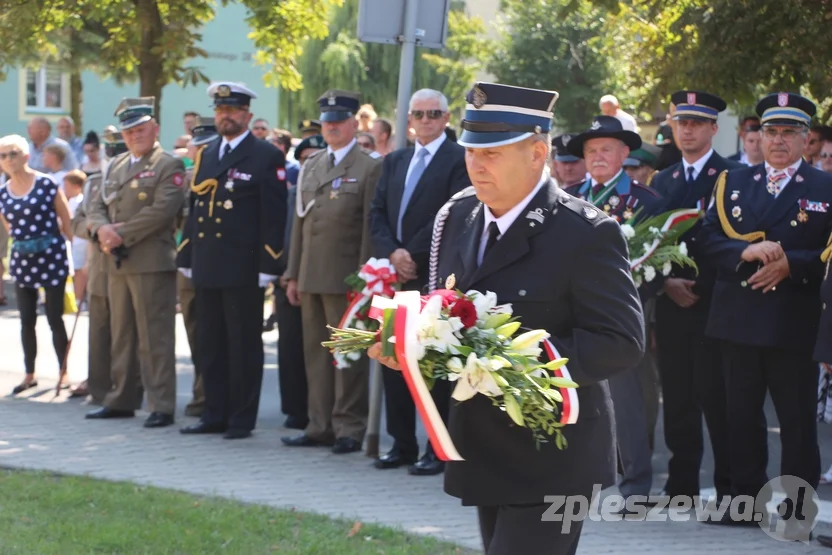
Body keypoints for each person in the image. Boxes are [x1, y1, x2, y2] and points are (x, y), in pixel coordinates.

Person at [372, 82, 644, 554]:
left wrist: (516, 363)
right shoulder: (457, 216)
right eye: (471, 151)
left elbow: (621, 339)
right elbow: (446, 311)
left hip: (555, 451)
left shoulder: (584, 231)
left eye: (493, 153)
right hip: (482, 445)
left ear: (538, 153)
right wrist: (411, 345)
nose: (476, 164)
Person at [699, 93, 832, 535]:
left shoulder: (824, 187)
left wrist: (792, 263)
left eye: (789, 133)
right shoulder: (732, 182)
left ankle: (796, 514)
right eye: (770, 132)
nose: (777, 140)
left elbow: (828, 253)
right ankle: (744, 503)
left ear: (805, 139)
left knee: (795, 421)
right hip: (737, 318)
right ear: (759, 136)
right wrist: (746, 249)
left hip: (793, 319)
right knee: (740, 416)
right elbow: (706, 240)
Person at [368, 88, 471, 476]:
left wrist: (409, 253)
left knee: (432, 365)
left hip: (433, 275)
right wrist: (392, 252)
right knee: (394, 359)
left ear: (447, 118)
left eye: (434, 113)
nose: (426, 120)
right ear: (408, 119)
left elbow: (452, 213)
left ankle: (437, 447)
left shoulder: (459, 158)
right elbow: (376, 212)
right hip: (394, 276)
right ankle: (402, 443)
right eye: (419, 114)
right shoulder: (394, 161)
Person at [178, 82, 287, 440]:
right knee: (210, 343)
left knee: (242, 346)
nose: (225, 116)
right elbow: (196, 209)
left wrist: (269, 265)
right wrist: (188, 254)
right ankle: (214, 412)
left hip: (244, 266)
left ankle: (241, 418)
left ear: (247, 116)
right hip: (209, 263)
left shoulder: (264, 155)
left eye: (233, 111)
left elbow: (274, 215)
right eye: (221, 111)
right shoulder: (207, 154)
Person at [649, 91, 743, 503]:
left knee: (719, 400)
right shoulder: (662, 179)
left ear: (712, 129)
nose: (686, 130)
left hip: (715, 305)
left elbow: (730, 242)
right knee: (679, 399)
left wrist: (699, 287)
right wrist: (666, 284)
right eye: (680, 122)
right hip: (672, 305)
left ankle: (727, 487)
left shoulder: (732, 176)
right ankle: (681, 483)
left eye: (696, 123)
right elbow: (650, 242)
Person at [565, 113, 660, 510]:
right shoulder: (566, 196)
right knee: (574, 393)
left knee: (629, 400)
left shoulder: (645, 200)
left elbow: (660, 260)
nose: (598, 157)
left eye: (606, 149)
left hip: (623, 312)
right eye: (591, 151)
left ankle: (635, 484)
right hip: (571, 312)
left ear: (625, 153)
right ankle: (577, 477)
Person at [282, 89, 383, 453]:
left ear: (354, 123)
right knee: (315, 354)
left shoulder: (369, 167)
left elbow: (369, 229)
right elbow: (300, 224)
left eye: (339, 121)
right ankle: (319, 424)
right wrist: (293, 274)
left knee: (349, 356)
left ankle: (349, 428)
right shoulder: (311, 165)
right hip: (310, 276)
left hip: (347, 280)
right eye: (327, 122)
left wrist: (365, 282)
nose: (332, 127)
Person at [85, 96, 185, 428]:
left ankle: (161, 404)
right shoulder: (115, 165)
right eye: (129, 132)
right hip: (117, 262)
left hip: (150, 261)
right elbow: (97, 204)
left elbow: (162, 210)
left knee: (154, 337)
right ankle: (122, 399)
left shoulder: (168, 164)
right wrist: (101, 229)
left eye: (140, 129)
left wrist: (119, 234)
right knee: (122, 335)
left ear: (154, 128)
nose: (134, 136)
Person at [0, 134, 72, 395]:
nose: (8, 159)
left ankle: (63, 373)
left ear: (26, 156)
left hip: (51, 256)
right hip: (23, 260)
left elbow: (66, 220)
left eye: (13, 153)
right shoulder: (2, 194)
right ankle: (29, 373)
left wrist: (79, 257)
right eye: (3, 155)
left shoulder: (47, 184)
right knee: (26, 319)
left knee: (54, 317)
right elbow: (10, 228)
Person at [274, 134, 326, 430]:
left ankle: (319, 411)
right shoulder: (292, 192)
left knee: (318, 350)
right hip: (290, 279)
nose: (309, 164)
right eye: (304, 160)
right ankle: (295, 409)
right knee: (292, 348)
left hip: (319, 278)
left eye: (314, 158)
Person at [177, 116, 219, 418]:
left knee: (214, 335)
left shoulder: (219, 176)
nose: (200, 151)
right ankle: (201, 392)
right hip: (187, 266)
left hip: (214, 266)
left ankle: (210, 397)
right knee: (194, 334)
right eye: (197, 146)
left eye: (207, 146)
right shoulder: (185, 180)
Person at [63, 170, 88, 301]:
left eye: (66, 186)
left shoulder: (78, 201)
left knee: (79, 271)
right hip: (76, 241)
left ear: (76, 186)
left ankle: (78, 299)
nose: (64, 189)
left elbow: (69, 223)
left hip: (80, 241)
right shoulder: (74, 200)